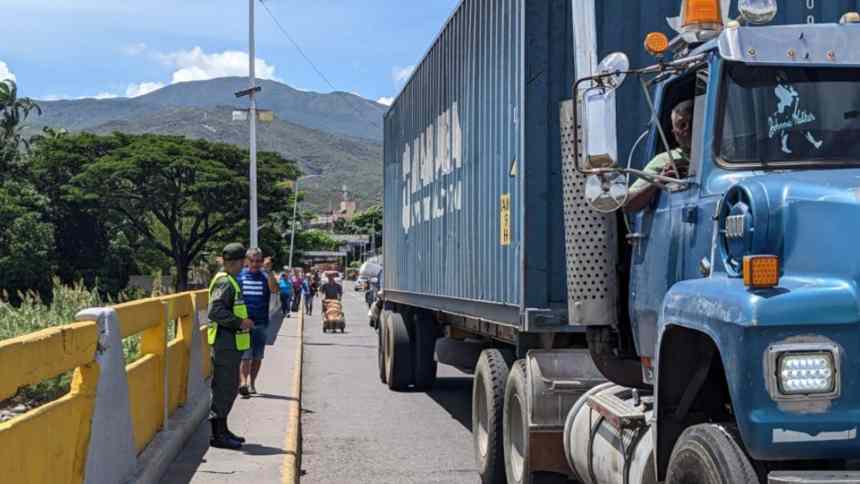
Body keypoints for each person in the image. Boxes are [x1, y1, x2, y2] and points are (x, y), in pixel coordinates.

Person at [207, 243, 255, 450]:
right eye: (243, 262)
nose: (244, 266)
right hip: (225, 343)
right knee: (224, 388)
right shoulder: (225, 282)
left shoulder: (229, 280)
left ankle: (223, 430)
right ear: (236, 262)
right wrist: (240, 322)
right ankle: (218, 435)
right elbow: (215, 311)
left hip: (230, 343)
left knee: (228, 387)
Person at [625, 100, 694, 213]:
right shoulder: (665, 159)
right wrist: (661, 179)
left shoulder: (722, 156)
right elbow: (628, 204)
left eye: (692, 123)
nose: (687, 129)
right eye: (682, 125)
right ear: (674, 132)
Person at [237, 248, 279, 397]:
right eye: (252, 261)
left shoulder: (265, 276)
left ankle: (252, 383)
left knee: (257, 356)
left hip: (261, 322)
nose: (255, 264)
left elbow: (274, 290)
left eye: (259, 261)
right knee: (245, 355)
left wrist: (269, 272)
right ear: (246, 261)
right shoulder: (239, 276)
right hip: (243, 323)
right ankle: (243, 383)